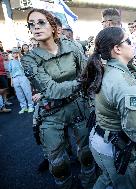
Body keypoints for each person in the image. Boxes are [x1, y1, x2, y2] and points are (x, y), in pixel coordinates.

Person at [21, 9, 95, 189]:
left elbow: (87, 72)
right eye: (32, 24)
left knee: (86, 154)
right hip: (50, 112)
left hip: (78, 107)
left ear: (54, 27)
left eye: (41, 22)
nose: (36, 27)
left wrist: (86, 81)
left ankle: (90, 183)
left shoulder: (73, 46)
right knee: (58, 163)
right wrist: (82, 81)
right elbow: (52, 90)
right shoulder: (29, 59)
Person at [83, 27, 136, 189]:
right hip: (114, 147)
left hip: (101, 139)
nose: (133, 44)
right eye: (129, 41)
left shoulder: (107, 69)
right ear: (117, 48)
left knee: (107, 179)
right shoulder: (124, 83)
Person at [8, 48, 34, 113]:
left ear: (19, 53)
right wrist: (12, 81)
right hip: (15, 78)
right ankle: (23, 107)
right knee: (19, 93)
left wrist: (20, 59)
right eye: (14, 53)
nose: (15, 54)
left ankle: (31, 106)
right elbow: (11, 72)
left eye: (17, 52)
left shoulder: (22, 60)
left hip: (23, 77)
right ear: (12, 54)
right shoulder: (10, 62)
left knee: (27, 92)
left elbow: (25, 68)